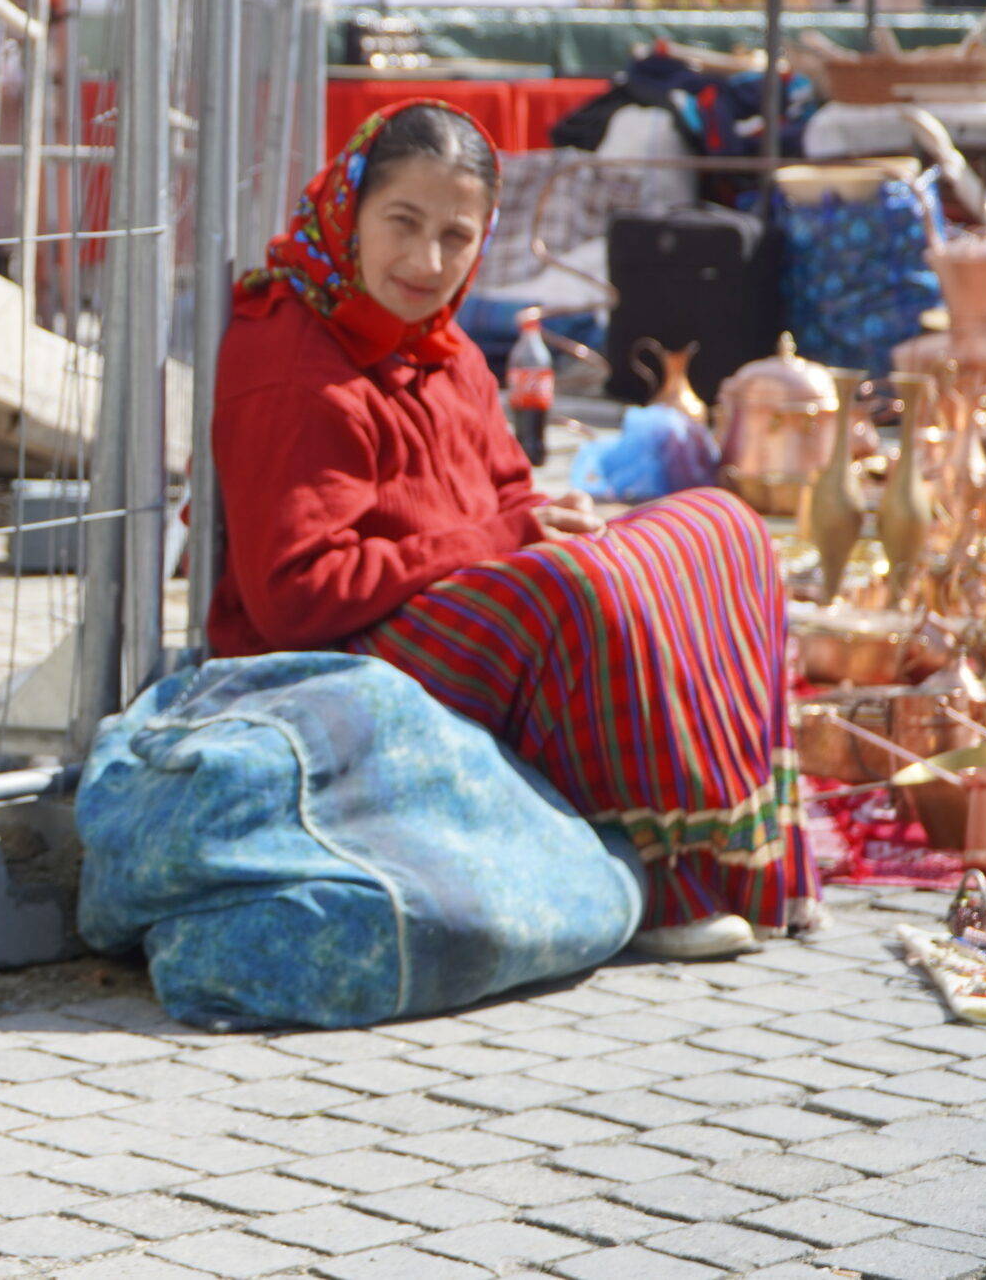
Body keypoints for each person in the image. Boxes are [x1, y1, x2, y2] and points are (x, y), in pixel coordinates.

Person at [207, 100, 818, 959]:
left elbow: (502, 493)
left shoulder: (440, 344)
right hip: (330, 662)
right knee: (576, 588)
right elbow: (295, 600)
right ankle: (660, 881)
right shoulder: (292, 361)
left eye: (456, 237)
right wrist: (502, 539)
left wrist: (542, 521)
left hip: (431, 607)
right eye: (402, 223)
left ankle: (752, 868)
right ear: (349, 211)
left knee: (723, 527)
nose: (427, 261)